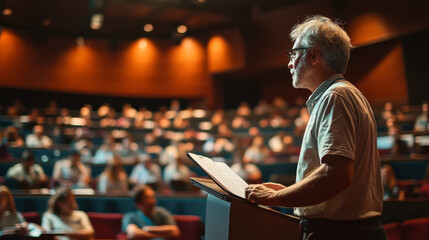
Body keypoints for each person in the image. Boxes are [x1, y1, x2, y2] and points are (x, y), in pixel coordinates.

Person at [245, 15, 386, 240]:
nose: (289, 63)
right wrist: (287, 193)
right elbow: (334, 179)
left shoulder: (336, 96)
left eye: (293, 54)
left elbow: (336, 174)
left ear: (313, 55)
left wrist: (274, 199)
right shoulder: (340, 94)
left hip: (341, 234)